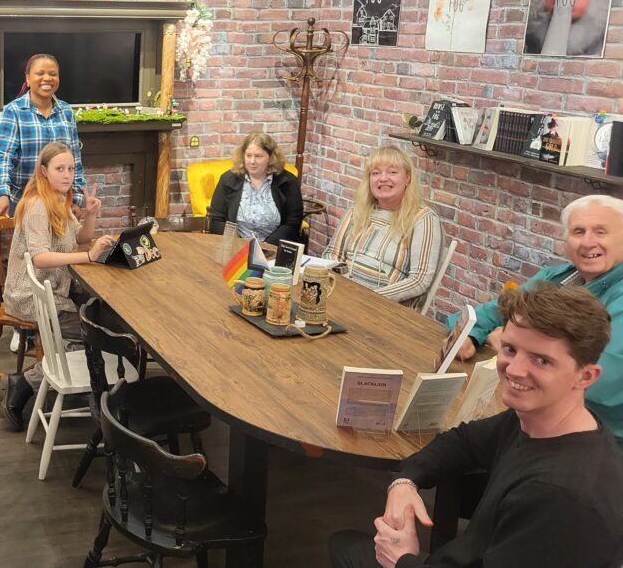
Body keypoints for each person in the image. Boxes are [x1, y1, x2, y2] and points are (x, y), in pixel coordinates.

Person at [329, 282, 623, 568]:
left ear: (586, 377)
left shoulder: (560, 497)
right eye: (509, 349)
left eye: (542, 361)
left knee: (344, 546)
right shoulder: (536, 420)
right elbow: (463, 440)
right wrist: (405, 482)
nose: (515, 369)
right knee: (346, 543)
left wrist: (402, 559)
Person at [451, 194, 623, 442]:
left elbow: (608, 378)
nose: (587, 242)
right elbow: (494, 311)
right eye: (578, 231)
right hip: (534, 412)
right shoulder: (559, 277)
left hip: (596, 438)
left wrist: (521, 345)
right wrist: (470, 333)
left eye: (600, 232)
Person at [1, 142, 115, 431]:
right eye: (59, 169)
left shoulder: (59, 200)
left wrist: (90, 213)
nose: (67, 175)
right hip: (30, 294)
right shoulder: (38, 205)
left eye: (71, 168)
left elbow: (80, 237)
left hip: (55, 288)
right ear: (43, 171)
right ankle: (26, 383)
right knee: (98, 333)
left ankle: (43, 378)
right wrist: (89, 257)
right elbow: (40, 258)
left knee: (102, 317)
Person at [322, 145, 442, 308]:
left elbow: (419, 280)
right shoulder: (358, 209)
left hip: (386, 309)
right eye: (376, 173)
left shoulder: (423, 219)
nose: (383, 178)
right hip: (344, 297)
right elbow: (332, 254)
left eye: (392, 172)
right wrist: (343, 285)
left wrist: (369, 297)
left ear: (408, 178)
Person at [0, 53, 87, 218]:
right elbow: (2, 157)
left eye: (53, 74)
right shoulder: (13, 111)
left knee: (64, 244)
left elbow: (75, 160)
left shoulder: (66, 111)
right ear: (28, 79)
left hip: (60, 202)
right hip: (25, 203)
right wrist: (2, 193)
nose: (47, 78)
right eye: (40, 73)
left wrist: (76, 199)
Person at [208, 132, 304, 245]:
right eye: (248, 155)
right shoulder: (228, 179)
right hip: (235, 248)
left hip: (275, 248)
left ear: (271, 158)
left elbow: (293, 223)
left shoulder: (288, 181)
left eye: (258, 156)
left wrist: (265, 247)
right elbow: (216, 220)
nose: (252, 161)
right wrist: (238, 244)